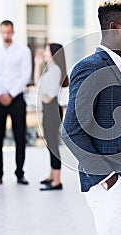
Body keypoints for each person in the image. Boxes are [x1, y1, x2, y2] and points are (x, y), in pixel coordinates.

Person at [62, 0, 121, 235]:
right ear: (115, 28)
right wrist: (106, 177)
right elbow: (71, 130)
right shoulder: (90, 68)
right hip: (113, 186)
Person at [0, 20, 32, 185]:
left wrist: (11, 94)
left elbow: (25, 74)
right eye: (3, 32)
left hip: (17, 99)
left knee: (20, 137)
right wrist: (0, 94)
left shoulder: (23, 51)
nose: (6, 35)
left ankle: (20, 172)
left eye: (9, 32)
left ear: (13, 32)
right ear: (0, 32)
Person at [34, 43, 69, 191]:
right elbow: (38, 85)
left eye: (48, 50)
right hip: (49, 110)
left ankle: (57, 180)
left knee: (53, 144)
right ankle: (52, 175)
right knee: (50, 143)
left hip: (52, 109)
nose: (45, 52)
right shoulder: (51, 70)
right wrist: (37, 64)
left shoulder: (55, 71)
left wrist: (41, 95)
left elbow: (49, 96)